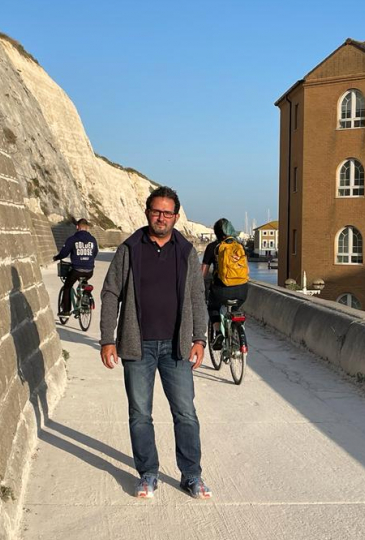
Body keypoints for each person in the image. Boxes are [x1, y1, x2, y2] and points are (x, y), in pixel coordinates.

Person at [99, 186, 211, 500]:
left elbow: (196, 299)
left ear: (176, 217)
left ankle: (192, 475)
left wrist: (199, 338)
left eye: (167, 213)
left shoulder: (186, 251)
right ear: (147, 212)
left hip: (176, 348)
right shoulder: (130, 248)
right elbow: (110, 294)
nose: (161, 217)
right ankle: (147, 474)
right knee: (139, 414)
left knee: (185, 414)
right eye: (155, 211)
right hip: (138, 347)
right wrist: (108, 339)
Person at [201, 218, 249, 350]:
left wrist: (199, 286)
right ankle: (236, 331)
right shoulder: (240, 246)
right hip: (242, 290)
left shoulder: (213, 247)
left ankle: (218, 333)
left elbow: (203, 273)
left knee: (213, 307)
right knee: (235, 307)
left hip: (221, 290)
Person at [53, 218, 98, 316]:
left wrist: (57, 257)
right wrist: (88, 260)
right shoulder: (93, 239)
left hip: (76, 270)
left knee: (67, 286)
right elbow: (95, 253)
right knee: (84, 281)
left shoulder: (72, 239)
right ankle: (84, 299)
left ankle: (66, 311)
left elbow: (64, 253)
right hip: (90, 270)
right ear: (87, 228)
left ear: (77, 227)